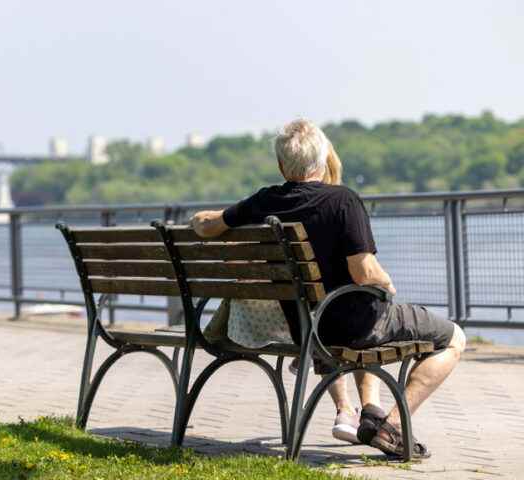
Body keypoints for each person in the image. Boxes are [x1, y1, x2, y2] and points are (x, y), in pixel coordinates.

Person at [192, 119, 466, 458]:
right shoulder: (343, 201)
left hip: (307, 328)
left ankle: (368, 413)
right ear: (323, 161)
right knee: (453, 338)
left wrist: (197, 221)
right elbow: (364, 273)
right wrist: (387, 283)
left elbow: (208, 225)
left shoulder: (263, 201)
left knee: (347, 307)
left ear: (281, 165)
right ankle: (390, 426)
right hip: (356, 325)